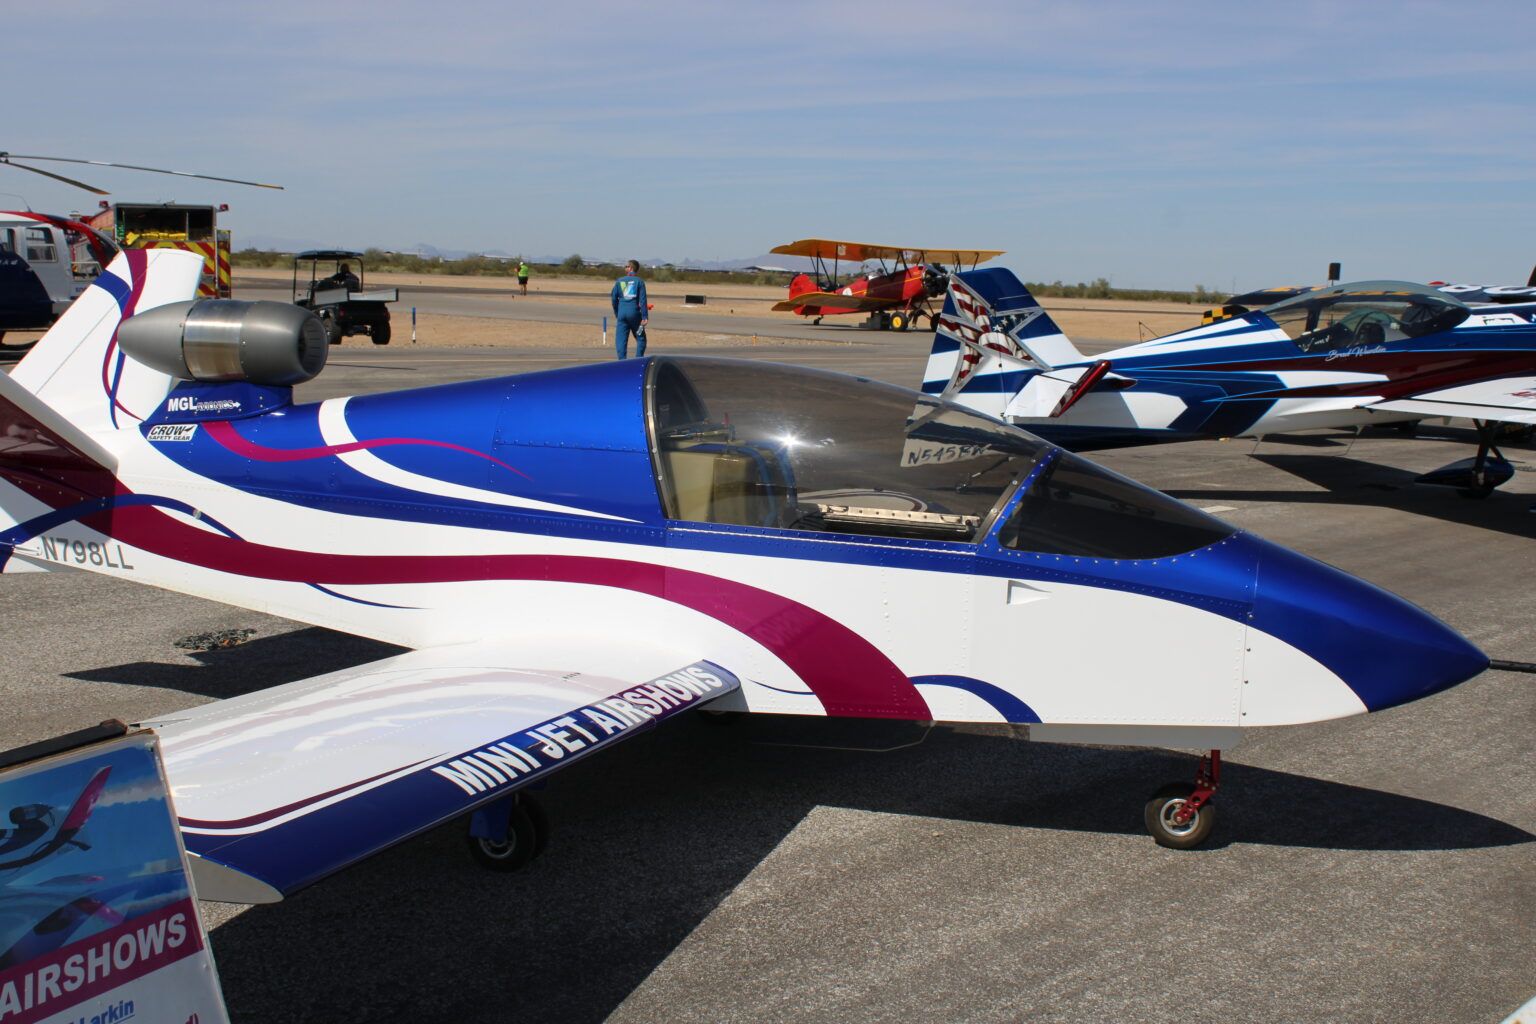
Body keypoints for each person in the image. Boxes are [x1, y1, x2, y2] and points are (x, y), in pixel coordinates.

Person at [610, 259, 649, 359]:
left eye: (626, 266)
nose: (625, 268)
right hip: (634, 314)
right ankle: (638, 359)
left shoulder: (619, 281)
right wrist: (644, 316)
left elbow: (614, 298)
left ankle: (622, 362)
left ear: (631, 268)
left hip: (622, 314)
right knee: (641, 338)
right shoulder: (639, 282)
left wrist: (617, 313)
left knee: (621, 340)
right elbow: (643, 301)